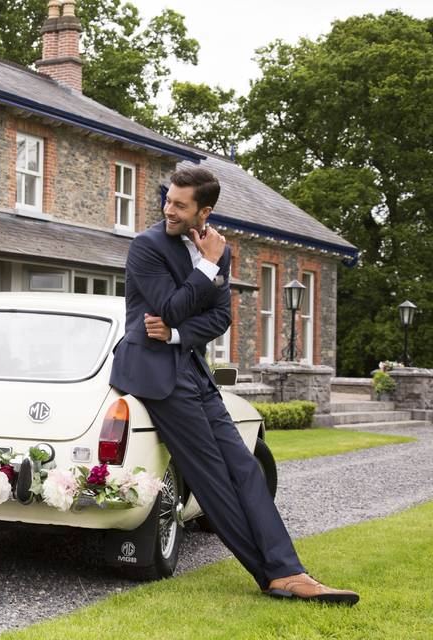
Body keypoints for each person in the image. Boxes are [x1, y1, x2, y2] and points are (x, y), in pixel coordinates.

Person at [110, 167, 359, 605]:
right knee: (213, 479)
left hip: (192, 367)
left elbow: (218, 318)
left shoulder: (220, 252)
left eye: (180, 205)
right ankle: (274, 576)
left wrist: (175, 332)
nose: (169, 209)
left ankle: (289, 570)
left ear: (203, 211)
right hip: (155, 375)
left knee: (245, 468)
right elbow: (168, 307)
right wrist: (203, 271)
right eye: (168, 200)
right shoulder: (147, 247)